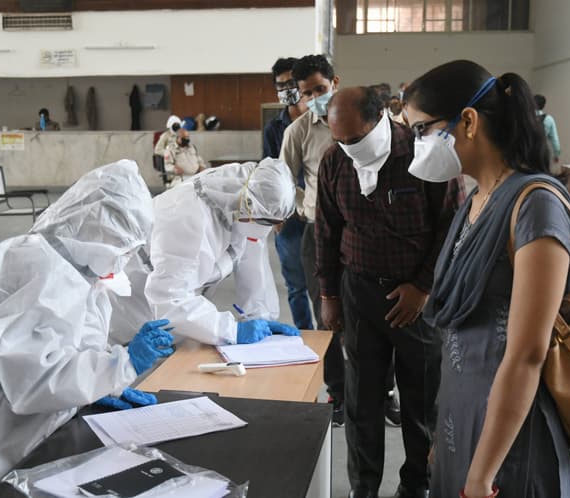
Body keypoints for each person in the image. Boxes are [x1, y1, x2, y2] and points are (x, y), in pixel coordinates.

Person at [0, 160, 176, 498]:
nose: (125, 259)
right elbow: (32, 385)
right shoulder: (29, 266)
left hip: (36, 438)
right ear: (97, 227)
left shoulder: (80, 274)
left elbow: (75, 351)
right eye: (123, 246)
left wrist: (105, 385)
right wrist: (122, 364)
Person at [405, 60, 570, 498]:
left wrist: (481, 476)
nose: (416, 144)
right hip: (462, 419)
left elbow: (526, 354)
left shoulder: (536, 206)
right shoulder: (477, 200)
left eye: (421, 129)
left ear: (468, 121)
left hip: (508, 443)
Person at [317, 87, 464, 498]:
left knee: (421, 402)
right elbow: (327, 231)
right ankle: (362, 487)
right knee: (361, 401)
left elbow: (453, 227)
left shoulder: (425, 155)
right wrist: (329, 296)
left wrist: (422, 287)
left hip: (417, 301)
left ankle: (416, 486)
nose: (348, 148)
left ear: (380, 116)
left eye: (355, 139)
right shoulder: (335, 161)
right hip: (360, 293)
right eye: (340, 140)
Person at [282, 55, 398, 427]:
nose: (313, 97)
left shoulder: (366, 119)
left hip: (366, 233)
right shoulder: (298, 132)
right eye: (306, 93)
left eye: (319, 88)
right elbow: (283, 181)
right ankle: (337, 392)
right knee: (328, 316)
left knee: (381, 312)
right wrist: (303, 206)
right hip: (319, 234)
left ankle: (384, 392)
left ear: (334, 82)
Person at [143, 158, 301, 346]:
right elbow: (170, 299)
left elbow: (252, 263)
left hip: (182, 321)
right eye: (268, 222)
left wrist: (261, 317)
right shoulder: (188, 216)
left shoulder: (242, 204)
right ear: (249, 204)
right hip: (141, 313)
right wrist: (231, 330)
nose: (273, 229)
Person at [263, 57, 312, 332]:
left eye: (291, 83)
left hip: (320, 212)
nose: (286, 89)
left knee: (326, 285)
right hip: (290, 214)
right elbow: (269, 172)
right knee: (296, 286)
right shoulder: (274, 128)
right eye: (280, 85)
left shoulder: (321, 121)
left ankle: (331, 339)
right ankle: (305, 336)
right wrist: (275, 214)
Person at [534, 94, 561, 164]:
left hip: (526, 154)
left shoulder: (526, 118)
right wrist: (556, 155)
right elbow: (555, 140)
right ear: (543, 105)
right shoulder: (549, 119)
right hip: (542, 153)